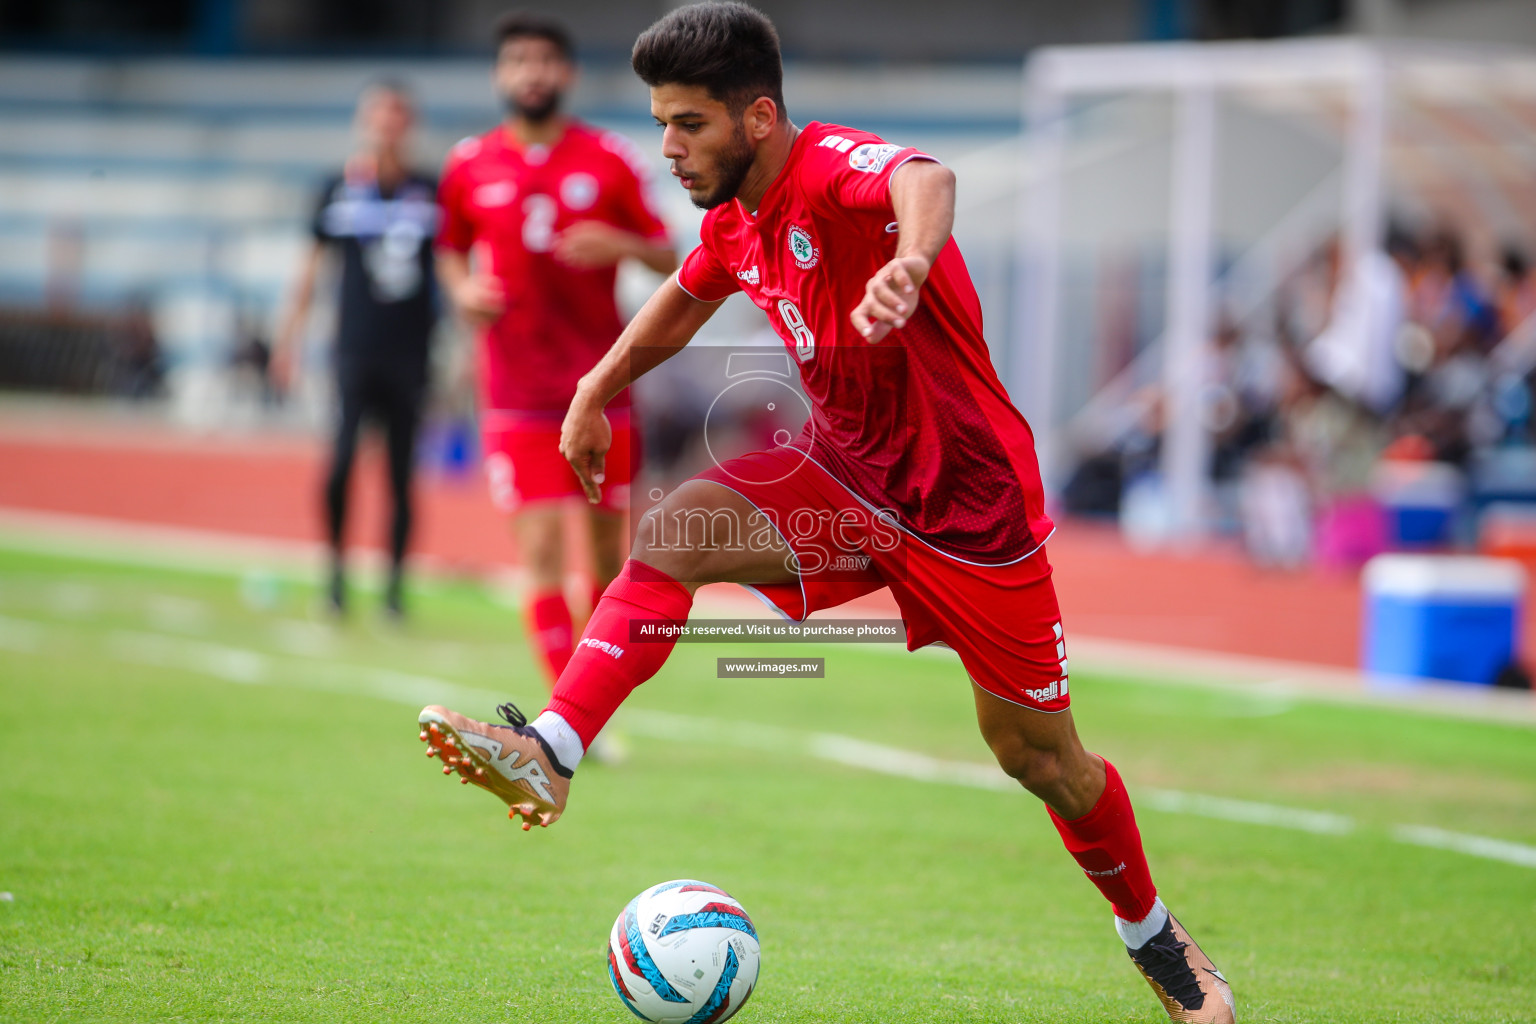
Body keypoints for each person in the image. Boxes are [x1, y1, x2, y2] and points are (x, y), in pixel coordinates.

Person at [416, 5, 1235, 1021]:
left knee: (1042, 761)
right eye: (662, 124)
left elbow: (924, 180)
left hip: (970, 514)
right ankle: (552, 749)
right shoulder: (733, 217)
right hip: (843, 479)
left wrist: (914, 259)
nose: (668, 148)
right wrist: (596, 386)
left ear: (757, 118)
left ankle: (1156, 938)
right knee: (675, 533)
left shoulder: (829, 167)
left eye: (690, 126)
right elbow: (682, 295)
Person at [435, 12, 677, 696]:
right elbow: (449, 248)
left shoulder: (610, 159)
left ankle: (586, 697)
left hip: (602, 387)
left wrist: (619, 243)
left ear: (566, 74)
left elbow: (676, 260)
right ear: (500, 75)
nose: (532, 73)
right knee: (539, 551)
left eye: (545, 61)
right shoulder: (468, 163)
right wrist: (462, 290)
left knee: (607, 556)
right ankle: (570, 714)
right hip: (514, 389)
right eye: (519, 61)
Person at [273, 80, 439, 619]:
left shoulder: (430, 190)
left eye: (396, 116)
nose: (387, 126)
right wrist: (287, 340)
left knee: (400, 472)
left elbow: (458, 268)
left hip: (412, 351)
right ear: (364, 122)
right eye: (378, 115)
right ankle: (336, 578)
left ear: (408, 124)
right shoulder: (337, 189)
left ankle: (393, 589)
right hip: (353, 350)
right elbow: (310, 269)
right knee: (341, 462)